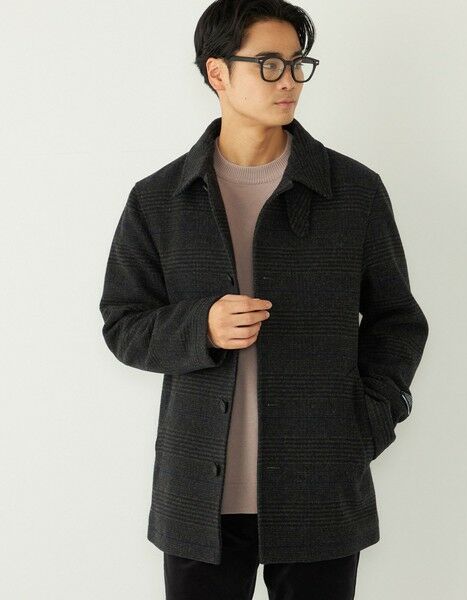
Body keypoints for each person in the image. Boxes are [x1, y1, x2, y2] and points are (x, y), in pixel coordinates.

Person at [99, 1, 429, 598]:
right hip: (197, 497)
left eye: (298, 64)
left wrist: (367, 422)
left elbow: (397, 321)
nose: (289, 81)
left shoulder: (353, 192)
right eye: (269, 64)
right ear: (217, 72)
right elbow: (123, 324)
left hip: (320, 488)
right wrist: (201, 326)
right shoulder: (159, 199)